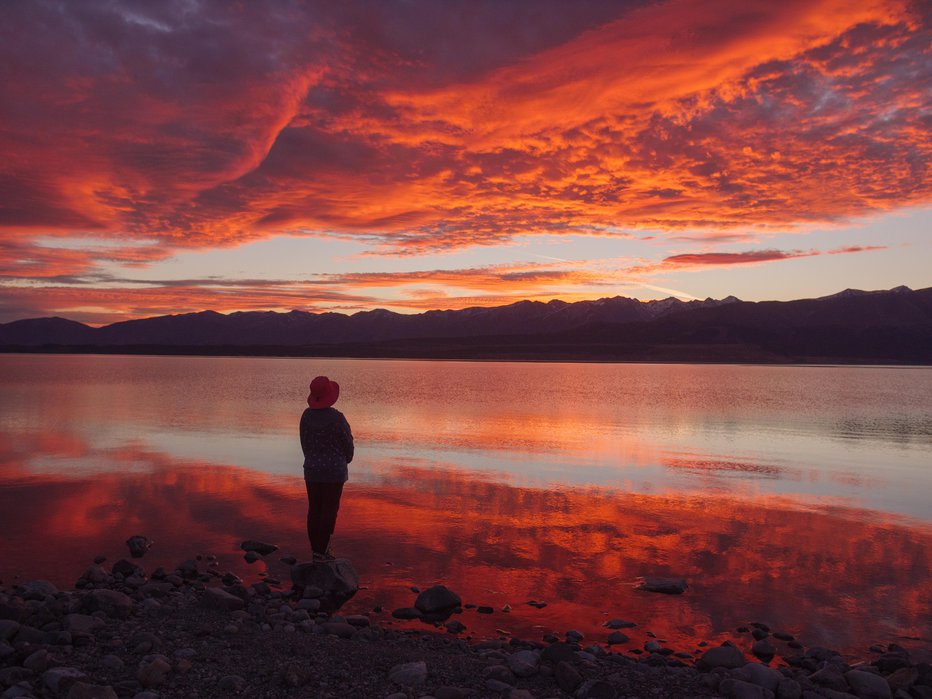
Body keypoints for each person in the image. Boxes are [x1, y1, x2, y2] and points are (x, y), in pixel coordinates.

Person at [300, 375, 353, 561]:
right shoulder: (338, 418)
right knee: (329, 511)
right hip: (334, 472)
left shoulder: (306, 416)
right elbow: (348, 443)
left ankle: (316, 550)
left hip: (313, 470)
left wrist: (312, 459)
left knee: (314, 509)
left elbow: (304, 443)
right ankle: (323, 551)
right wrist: (347, 459)